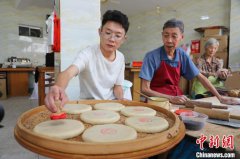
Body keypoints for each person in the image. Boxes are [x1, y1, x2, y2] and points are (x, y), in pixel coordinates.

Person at [139, 18, 240, 105]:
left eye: (174, 36)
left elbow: (200, 77)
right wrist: (170, 98)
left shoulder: (182, 55)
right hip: (157, 101)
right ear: (162, 36)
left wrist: (220, 97)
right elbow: (144, 89)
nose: (169, 40)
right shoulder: (151, 56)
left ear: (181, 37)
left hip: (177, 99)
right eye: (166, 35)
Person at [45, 10, 129, 113]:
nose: (112, 39)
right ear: (100, 32)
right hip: (89, 105)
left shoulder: (121, 58)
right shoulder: (88, 54)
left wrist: (121, 99)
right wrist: (58, 88)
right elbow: (68, 73)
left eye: (118, 35)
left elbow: (117, 86)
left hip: (110, 105)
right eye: (108, 33)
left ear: (124, 39)